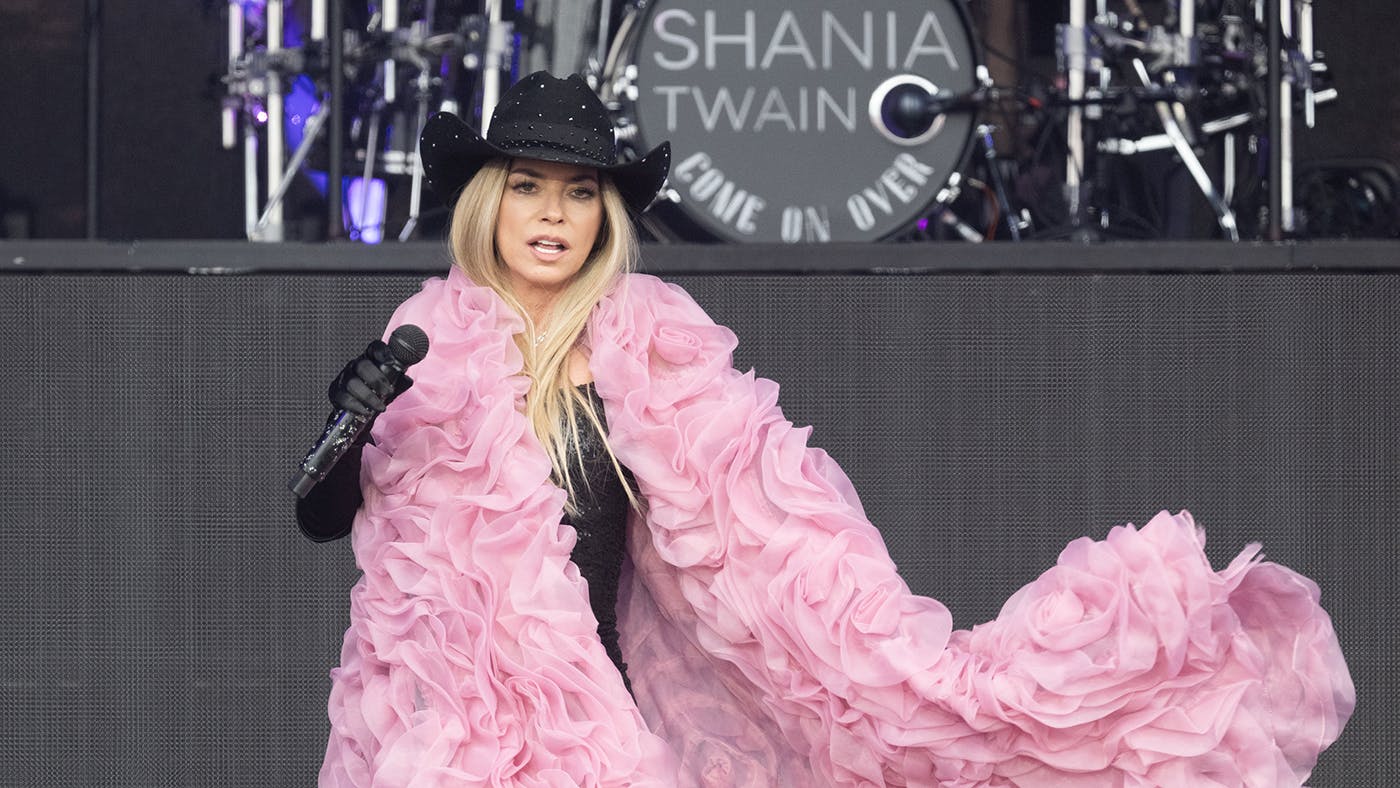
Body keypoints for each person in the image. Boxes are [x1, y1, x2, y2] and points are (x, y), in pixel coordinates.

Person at [296, 71, 1354, 787]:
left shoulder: (652, 352)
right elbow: (326, 512)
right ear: (488, 201)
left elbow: (769, 552)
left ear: (602, 217)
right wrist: (351, 422)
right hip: (451, 728)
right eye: (525, 185)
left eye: (577, 192)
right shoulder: (425, 344)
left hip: (601, 723)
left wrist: (901, 671)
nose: (550, 213)